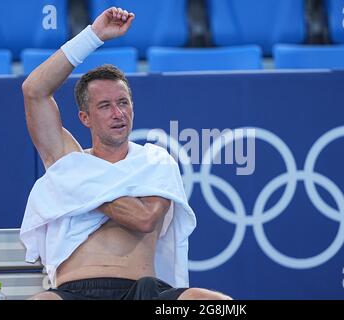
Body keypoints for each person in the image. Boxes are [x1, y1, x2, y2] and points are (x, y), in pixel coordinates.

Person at [22, 6, 231, 300]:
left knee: (218, 304)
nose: (118, 113)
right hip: (74, 292)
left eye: (123, 102)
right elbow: (34, 90)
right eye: (105, 106)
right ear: (85, 118)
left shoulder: (153, 160)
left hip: (142, 292)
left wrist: (77, 186)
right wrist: (94, 35)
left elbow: (144, 219)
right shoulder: (68, 159)